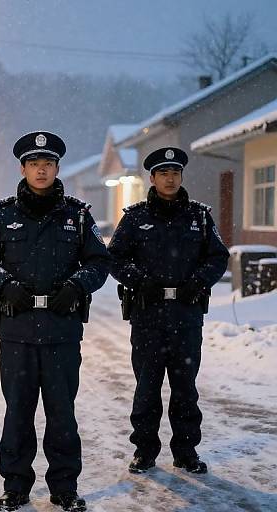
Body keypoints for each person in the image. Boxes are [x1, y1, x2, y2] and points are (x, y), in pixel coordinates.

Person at [0, 132, 109, 511]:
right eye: (34, 163)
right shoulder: (3, 215)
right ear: (23, 168)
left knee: (62, 414)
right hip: (17, 333)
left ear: (57, 168)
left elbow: (100, 262)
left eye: (47, 163)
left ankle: (64, 487)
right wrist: (4, 285)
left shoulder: (77, 215)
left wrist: (78, 286)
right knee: (18, 414)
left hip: (63, 332)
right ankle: (15, 486)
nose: (41, 169)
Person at [107, 147, 230, 475]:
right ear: (153, 178)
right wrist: (139, 280)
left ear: (181, 176)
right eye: (163, 173)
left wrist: (200, 281)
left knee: (185, 388)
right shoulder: (135, 218)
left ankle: (186, 451)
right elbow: (115, 257)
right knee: (146, 388)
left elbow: (218, 256)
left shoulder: (200, 217)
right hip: (148, 315)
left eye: (175, 172)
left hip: (187, 315)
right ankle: (145, 451)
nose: (170, 178)